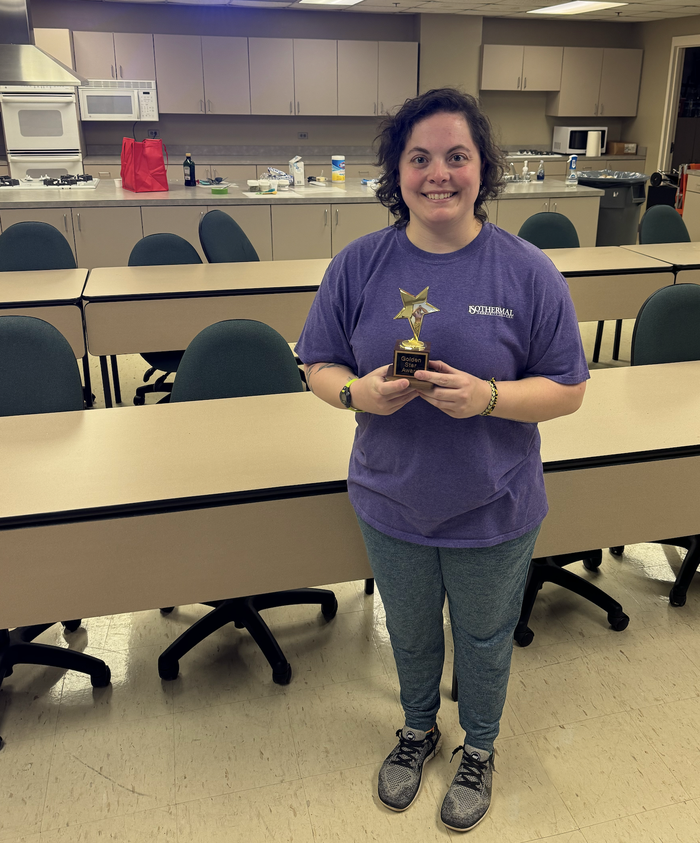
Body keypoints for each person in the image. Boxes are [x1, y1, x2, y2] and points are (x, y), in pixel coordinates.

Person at [294, 87, 589, 833]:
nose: (438, 175)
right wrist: (356, 394)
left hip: (493, 504)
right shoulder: (359, 264)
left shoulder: (527, 272)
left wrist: (489, 397)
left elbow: (569, 390)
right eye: (419, 158)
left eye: (457, 157)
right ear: (396, 172)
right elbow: (316, 364)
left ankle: (480, 748)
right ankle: (418, 730)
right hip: (392, 500)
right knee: (412, 630)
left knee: (486, 639)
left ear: (482, 167)